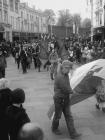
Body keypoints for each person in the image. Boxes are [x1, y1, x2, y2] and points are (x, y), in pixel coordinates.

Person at [51, 60, 81, 139]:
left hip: (65, 98)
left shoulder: (65, 74)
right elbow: (66, 88)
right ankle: (54, 128)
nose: (68, 70)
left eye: (69, 68)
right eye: (67, 68)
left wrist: (71, 90)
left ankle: (73, 133)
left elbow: (68, 85)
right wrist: (73, 91)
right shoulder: (60, 76)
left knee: (69, 116)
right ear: (62, 67)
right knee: (58, 116)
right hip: (59, 99)